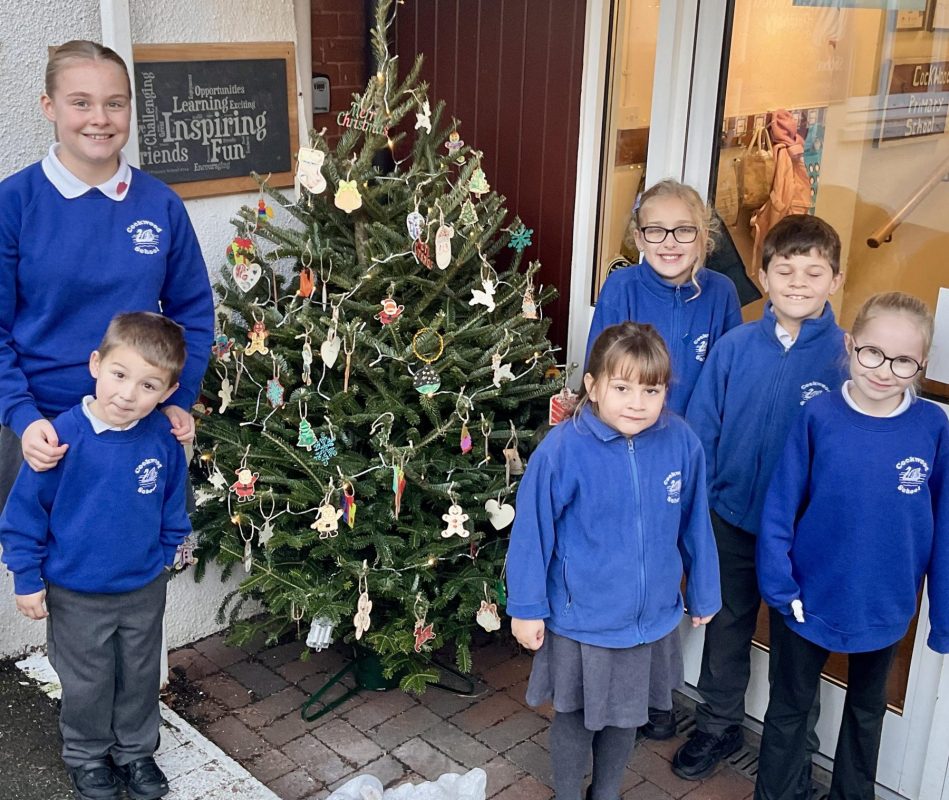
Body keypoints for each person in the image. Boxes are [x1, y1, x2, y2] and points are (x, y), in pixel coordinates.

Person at [506, 322, 721, 800]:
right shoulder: (562, 451)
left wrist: (704, 588)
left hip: (647, 621)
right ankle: (566, 793)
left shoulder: (681, 443)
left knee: (628, 715)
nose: (637, 402)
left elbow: (695, 522)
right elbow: (532, 533)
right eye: (621, 387)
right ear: (593, 386)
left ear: (666, 390)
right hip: (584, 620)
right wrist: (526, 607)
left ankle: (604, 793)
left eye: (652, 389)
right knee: (577, 717)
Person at [0, 40, 214, 509]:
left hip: (136, 427)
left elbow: (194, 314)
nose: (100, 118)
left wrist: (180, 396)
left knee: (130, 567)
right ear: (49, 107)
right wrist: (20, 414)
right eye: (81, 103)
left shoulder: (160, 205)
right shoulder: (13, 203)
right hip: (40, 430)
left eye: (115, 103)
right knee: (39, 573)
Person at [754, 292, 949, 800]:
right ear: (850, 345)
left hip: (884, 606)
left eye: (903, 360)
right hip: (806, 599)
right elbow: (780, 506)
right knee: (789, 709)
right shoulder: (819, 416)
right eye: (872, 352)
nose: (884, 370)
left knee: (866, 717)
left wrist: (942, 616)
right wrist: (779, 583)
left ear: (921, 365)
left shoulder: (933, 428)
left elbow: (944, 526)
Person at [676, 214, 847, 781]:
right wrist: (701, 503)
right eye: (785, 269)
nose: (798, 282)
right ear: (763, 275)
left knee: (798, 645)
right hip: (731, 518)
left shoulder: (845, 362)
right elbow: (703, 429)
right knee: (726, 625)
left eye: (813, 271)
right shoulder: (734, 347)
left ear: (835, 279)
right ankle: (718, 724)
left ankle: (792, 751)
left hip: (804, 535)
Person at [0, 312, 191, 800]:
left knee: (139, 675)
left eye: (148, 385)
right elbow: (25, 515)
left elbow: (173, 499)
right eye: (119, 374)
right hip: (77, 593)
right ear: (95, 364)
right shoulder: (59, 439)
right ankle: (87, 755)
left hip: (143, 588)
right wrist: (26, 578)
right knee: (87, 683)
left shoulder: (160, 440)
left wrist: (167, 551)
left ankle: (135, 752)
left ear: (167, 393)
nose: (128, 394)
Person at [587, 179, 742, 416]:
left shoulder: (722, 292)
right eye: (656, 230)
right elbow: (600, 373)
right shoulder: (620, 288)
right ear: (639, 238)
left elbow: (731, 379)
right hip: (629, 434)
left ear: (703, 235)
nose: (670, 242)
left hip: (696, 441)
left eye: (684, 230)